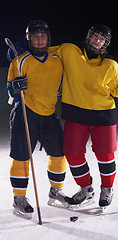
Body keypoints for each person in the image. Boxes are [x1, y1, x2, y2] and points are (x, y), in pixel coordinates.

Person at [48, 23, 118, 208]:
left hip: (104, 116)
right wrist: (23, 53)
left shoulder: (111, 65)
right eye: (95, 36)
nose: (97, 40)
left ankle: (107, 189)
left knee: (105, 155)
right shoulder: (68, 51)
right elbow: (43, 53)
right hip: (76, 114)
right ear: (88, 35)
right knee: (72, 154)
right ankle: (86, 188)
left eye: (102, 39)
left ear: (105, 44)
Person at [7, 20, 67, 217]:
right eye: (35, 36)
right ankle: (19, 197)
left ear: (48, 39)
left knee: (59, 154)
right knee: (22, 158)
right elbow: (10, 91)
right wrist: (15, 88)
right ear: (29, 39)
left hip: (49, 115)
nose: (39, 40)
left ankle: (55, 191)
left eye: (43, 36)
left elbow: (59, 89)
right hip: (25, 113)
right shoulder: (20, 61)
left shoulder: (57, 61)